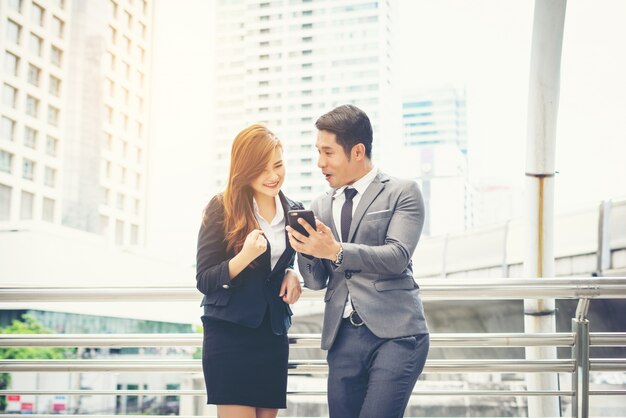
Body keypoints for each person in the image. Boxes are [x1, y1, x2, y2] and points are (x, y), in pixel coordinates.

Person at [286, 105, 429, 418]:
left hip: (397, 334)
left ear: (358, 151)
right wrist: (306, 250)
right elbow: (316, 280)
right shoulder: (320, 205)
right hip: (342, 338)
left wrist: (335, 250)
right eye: (317, 152)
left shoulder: (403, 192)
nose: (320, 163)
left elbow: (397, 257)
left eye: (328, 152)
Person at [196, 124, 303, 418]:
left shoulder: (294, 211)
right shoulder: (221, 207)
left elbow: (284, 261)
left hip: (272, 333)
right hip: (229, 333)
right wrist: (243, 257)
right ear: (244, 169)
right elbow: (204, 279)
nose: (273, 176)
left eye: (278, 165)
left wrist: (292, 274)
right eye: (262, 168)